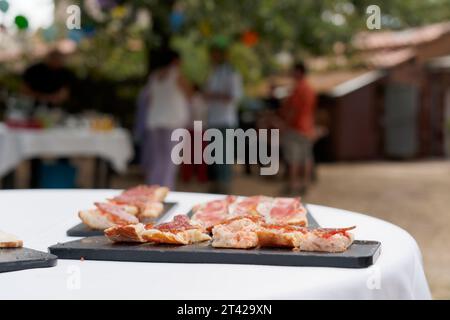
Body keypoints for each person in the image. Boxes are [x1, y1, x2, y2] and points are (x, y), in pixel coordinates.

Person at [141, 49, 191, 189]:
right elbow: (190, 94)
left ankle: (153, 189)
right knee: (170, 161)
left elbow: (150, 100)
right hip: (173, 122)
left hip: (155, 121)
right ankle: (167, 189)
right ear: (175, 61)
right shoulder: (177, 75)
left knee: (157, 160)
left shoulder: (154, 76)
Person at [204, 43, 243, 194]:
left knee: (223, 155)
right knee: (215, 154)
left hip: (225, 120)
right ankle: (218, 184)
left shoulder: (231, 73)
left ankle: (224, 185)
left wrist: (213, 95)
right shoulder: (214, 72)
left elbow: (233, 97)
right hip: (213, 119)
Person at [279, 61, 317, 195]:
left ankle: (293, 184)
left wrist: (285, 124)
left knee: (293, 159)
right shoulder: (310, 89)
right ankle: (304, 183)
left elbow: (293, 110)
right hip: (307, 128)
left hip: (295, 128)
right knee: (306, 158)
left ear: (299, 72)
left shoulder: (298, 89)